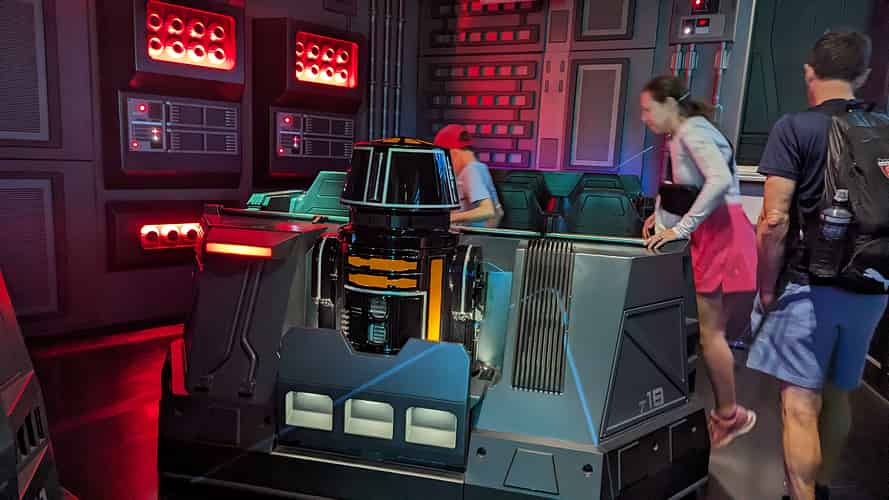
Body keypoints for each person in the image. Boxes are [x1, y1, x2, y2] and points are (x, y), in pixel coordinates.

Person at [745, 31, 888, 500]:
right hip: (871, 285)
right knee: (840, 392)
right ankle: (822, 487)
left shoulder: (795, 128)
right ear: (863, 75)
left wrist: (767, 287)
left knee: (800, 405)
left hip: (809, 287)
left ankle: (802, 496)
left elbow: (773, 220)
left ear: (810, 71)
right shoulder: (885, 126)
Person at [640, 75, 758, 449]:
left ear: (669, 103)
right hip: (717, 234)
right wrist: (662, 217)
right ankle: (727, 413)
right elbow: (686, 188)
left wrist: (680, 228)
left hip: (723, 235)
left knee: (712, 336)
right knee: (711, 334)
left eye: (648, 109)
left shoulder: (692, 132)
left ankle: (730, 415)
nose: (644, 117)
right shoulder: (685, 134)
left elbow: (718, 181)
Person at [433, 124, 503, 227]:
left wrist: (447, 219)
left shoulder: (471, 170)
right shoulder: (479, 167)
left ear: (453, 152)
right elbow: (499, 212)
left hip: (470, 235)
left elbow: (487, 211)